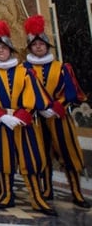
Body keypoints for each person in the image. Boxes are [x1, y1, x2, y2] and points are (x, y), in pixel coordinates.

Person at [0, 19, 57, 215]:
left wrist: (21, 115)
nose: (1, 52)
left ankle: (36, 197)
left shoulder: (25, 72)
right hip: (0, 123)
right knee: (3, 160)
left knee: (30, 159)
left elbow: (34, 97)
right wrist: (1, 116)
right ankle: (5, 194)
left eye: (4, 48)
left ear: (10, 50)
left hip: (23, 123)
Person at [23, 15, 90, 208]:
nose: (38, 47)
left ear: (47, 46)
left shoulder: (61, 67)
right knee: (41, 154)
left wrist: (56, 107)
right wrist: (40, 108)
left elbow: (71, 92)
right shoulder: (26, 69)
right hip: (38, 118)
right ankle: (47, 189)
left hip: (60, 117)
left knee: (68, 153)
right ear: (30, 48)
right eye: (34, 45)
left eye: (41, 44)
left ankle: (76, 191)